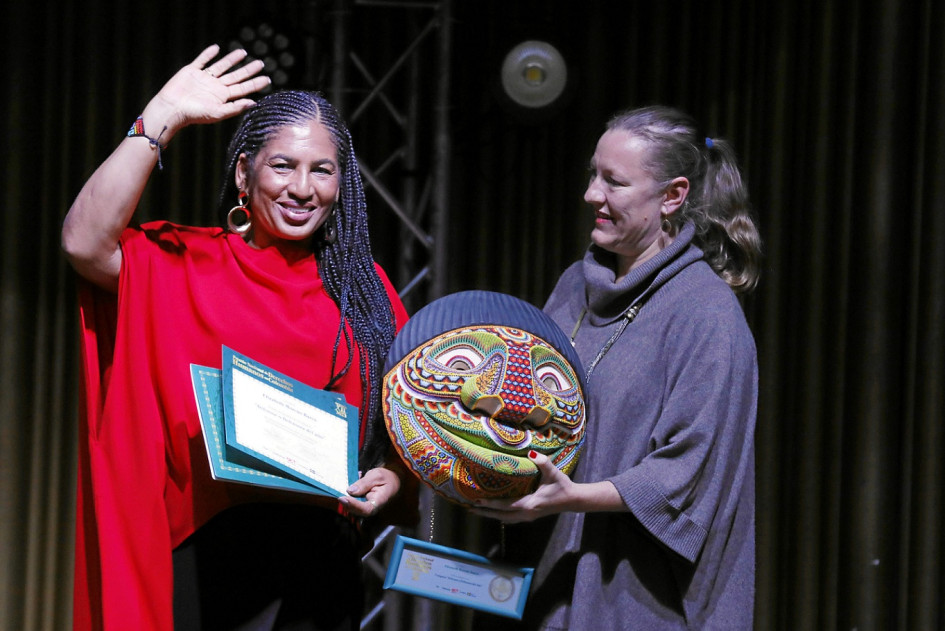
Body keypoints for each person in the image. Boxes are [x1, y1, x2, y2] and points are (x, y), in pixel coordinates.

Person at [62, 44, 413, 631]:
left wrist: (396, 476)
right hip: (206, 558)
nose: (302, 188)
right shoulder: (184, 263)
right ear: (244, 174)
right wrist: (161, 116)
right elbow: (83, 242)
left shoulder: (366, 293)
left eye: (322, 170)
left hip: (319, 568)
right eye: (283, 166)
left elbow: (408, 426)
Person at [476, 105, 762, 629]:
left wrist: (572, 499)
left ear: (672, 196)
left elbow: (688, 470)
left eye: (614, 182)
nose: (592, 194)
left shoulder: (706, 313)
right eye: (593, 175)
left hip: (635, 596)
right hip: (541, 579)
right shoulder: (574, 287)